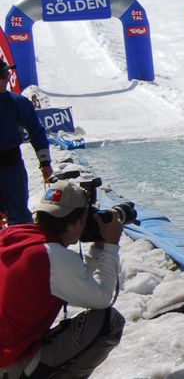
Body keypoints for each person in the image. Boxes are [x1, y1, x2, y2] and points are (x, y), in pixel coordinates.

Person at [0, 181, 125, 378]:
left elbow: (71, 281)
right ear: (77, 223)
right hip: (9, 364)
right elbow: (102, 298)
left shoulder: (13, 236)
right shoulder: (51, 256)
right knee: (109, 322)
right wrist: (110, 246)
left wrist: (97, 248)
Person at [1, 61, 52, 227]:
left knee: (19, 217)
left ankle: (23, 248)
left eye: (6, 75)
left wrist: (45, 161)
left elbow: (36, 131)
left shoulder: (17, 103)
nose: (4, 80)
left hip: (11, 167)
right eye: (0, 76)